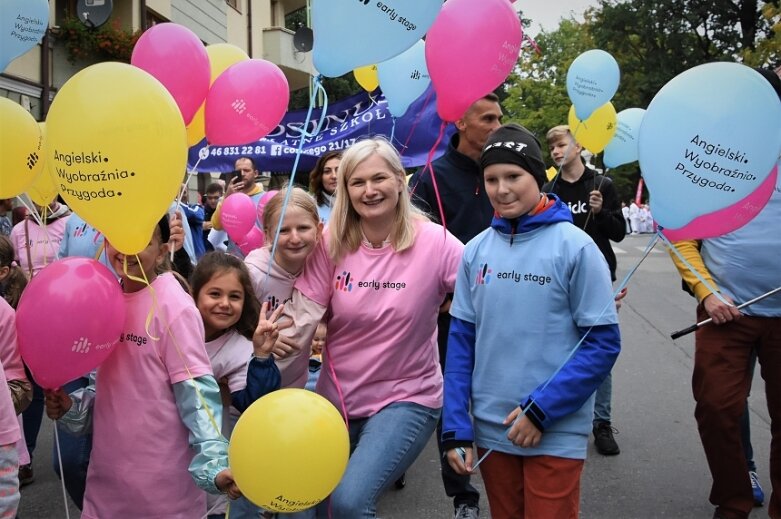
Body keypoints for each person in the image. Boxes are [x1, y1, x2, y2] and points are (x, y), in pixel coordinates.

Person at [442, 123, 621, 519]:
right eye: (491, 178)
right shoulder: (474, 251)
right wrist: (455, 425)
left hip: (554, 427)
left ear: (538, 178)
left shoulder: (576, 246)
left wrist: (541, 409)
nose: (501, 189)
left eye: (513, 176)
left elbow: (602, 344)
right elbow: (460, 344)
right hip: (491, 428)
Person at [280, 137, 464, 518]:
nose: (369, 190)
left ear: (400, 180)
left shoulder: (436, 242)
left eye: (379, 178)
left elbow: (486, 294)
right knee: (300, 503)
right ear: (345, 189)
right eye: (357, 182)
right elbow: (302, 317)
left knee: (348, 502)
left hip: (407, 397)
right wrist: (271, 348)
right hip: (338, 399)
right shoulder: (332, 241)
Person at [43, 216, 240, 518]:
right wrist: (73, 406)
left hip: (163, 490)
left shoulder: (175, 306)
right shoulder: (104, 299)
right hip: (106, 481)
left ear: (162, 251)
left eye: (142, 241)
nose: (127, 250)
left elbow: (198, 395)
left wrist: (214, 462)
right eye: (119, 238)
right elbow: (110, 386)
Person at [668, 75, 781, 516]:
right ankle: (734, 498)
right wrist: (708, 292)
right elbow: (681, 234)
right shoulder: (709, 163)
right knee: (716, 408)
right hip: (723, 312)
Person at [408, 93, 503, 518]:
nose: (497, 125)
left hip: (505, 306)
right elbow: (411, 243)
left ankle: (505, 476)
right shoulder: (431, 177)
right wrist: (441, 293)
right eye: (488, 118)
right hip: (452, 313)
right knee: (454, 398)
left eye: (500, 117)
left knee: (499, 394)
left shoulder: (504, 172)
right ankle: (463, 495)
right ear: (461, 122)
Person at [544, 125, 626, 456]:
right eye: (551, 148)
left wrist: (599, 212)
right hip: (557, 276)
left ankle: (601, 422)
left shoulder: (602, 185)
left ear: (578, 146)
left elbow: (619, 232)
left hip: (597, 276)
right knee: (559, 344)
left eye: (561, 145)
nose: (556, 152)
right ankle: (557, 411)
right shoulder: (548, 188)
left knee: (598, 347)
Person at [191, 251, 283, 519]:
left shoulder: (240, 348)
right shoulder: (173, 330)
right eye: (214, 294)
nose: (224, 303)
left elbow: (255, 405)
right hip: (161, 454)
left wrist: (262, 358)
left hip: (211, 460)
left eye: (234, 296)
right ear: (195, 294)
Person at [8, 198, 71, 485]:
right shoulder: (18, 229)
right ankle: (26, 459)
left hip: (65, 315)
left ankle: (73, 451)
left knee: (66, 383)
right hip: (27, 317)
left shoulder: (69, 223)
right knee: (30, 384)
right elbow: (13, 273)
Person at [244, 188, 323, 390]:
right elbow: (224, 325)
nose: (294, 238)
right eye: (283, 230)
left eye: (303, 228)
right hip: (249, 390)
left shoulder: (320, 269)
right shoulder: (253, 275)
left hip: (295, 388)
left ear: (319, 229)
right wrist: (255, 341)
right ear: (268, 233)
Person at [211, 157, 265, 257]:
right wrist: (227, 197)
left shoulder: (265, 198)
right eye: (239, 171)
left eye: (247, 170)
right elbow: (216, 225)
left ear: (256, 173)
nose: (243, 173)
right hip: (234, 259)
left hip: (260, 258)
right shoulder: (229, 198)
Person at [309, 151, 342, 223]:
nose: (334, 176)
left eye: (338, 170)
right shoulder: (310, 206)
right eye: (327, 171)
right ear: (319, 177)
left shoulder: (358, 202)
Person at [203, 182, 225, 253]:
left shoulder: (226, 210)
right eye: (210, 198)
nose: (213, 201)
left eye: (216, 198)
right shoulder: (201, 211)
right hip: (207, 251)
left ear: (221, 196)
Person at [305, 321, 327, 392]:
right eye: (316, 339)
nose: (320, 343)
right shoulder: (307, 354)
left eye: (324, 340)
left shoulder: (327, 356)